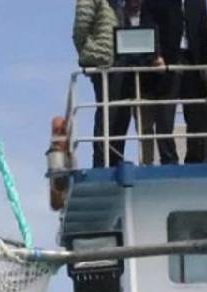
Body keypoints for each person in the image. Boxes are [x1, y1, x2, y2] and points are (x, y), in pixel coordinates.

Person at [143, 0, 207, 164]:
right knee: (164, 115)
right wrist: (155, 55)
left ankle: (195, 158)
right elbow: (148, 26)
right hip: (166, 62)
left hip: (192, 61)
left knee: (196, 114)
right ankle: (169, 158)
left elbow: (203, 32)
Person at [108, 0, 155, 165]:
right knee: (118, 123)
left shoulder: (151, 15)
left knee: (146, 125)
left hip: (146, 78)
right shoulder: (116, 14)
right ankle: (114, 161)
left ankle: (148, 162)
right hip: (121, 78)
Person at [73, 0, 118, 168]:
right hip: (104, 63)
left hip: (118, 63)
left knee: (118, 114)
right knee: (106, 113)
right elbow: (80, 28)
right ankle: (101, 160)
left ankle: (113, 158)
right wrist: (92, 52)